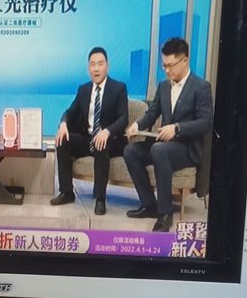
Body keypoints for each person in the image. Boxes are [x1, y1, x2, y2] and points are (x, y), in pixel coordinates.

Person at [123, 37, 213, 232]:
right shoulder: (163, 86)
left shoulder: (201, 87)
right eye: (163, 65)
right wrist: (137, 125)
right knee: (131, 151)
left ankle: (165, 213)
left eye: (170, 65)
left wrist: (177, 128)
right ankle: (149, 204)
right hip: (163, 145)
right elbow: (152, 113)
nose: (166, 70)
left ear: (185, 61)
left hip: (187, 149)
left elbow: (205, 123)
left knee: (159, 150)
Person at [50, 47, 128, 215]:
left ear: (107, 66)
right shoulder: (84, 90)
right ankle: (67, 192)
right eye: (93, 64)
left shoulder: (118, 88)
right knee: (63, 141)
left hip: (109, 141)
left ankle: (100, 199)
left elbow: (123, 118)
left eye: (100, 64)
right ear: (88, 68)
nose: (96, 68)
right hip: (87, 139)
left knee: (101, 143)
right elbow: (70, 112)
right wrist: (63, 124)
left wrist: (107, 131)